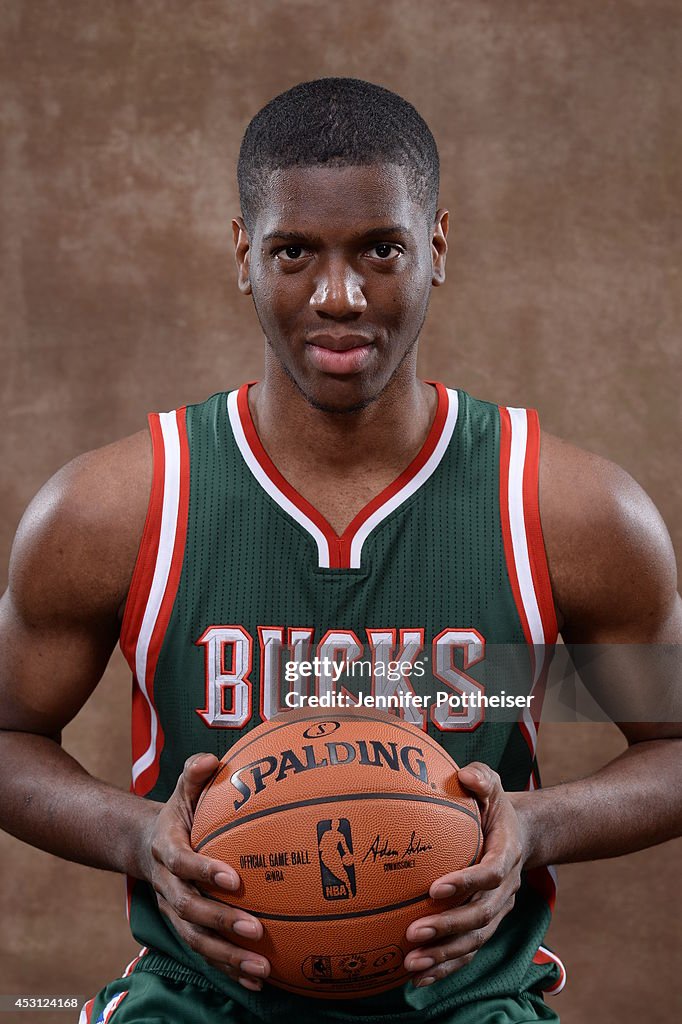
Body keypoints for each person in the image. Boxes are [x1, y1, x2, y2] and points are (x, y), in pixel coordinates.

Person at [0, 78, 679, 1024]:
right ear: (244, 253)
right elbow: (8, 733)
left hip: (465, 1001)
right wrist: (137, 835)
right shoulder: (121, 507)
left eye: (380, 250)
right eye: (293, 252)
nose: (338, 295)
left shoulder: (563, 511)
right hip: (202, 997)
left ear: (436, 246)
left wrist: (534, 824)